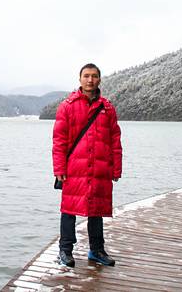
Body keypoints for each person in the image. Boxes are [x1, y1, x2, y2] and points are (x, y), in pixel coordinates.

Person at [52, 63, 122, 267]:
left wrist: (116, 167)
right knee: (69, 210)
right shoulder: (67, 106)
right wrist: (59, 169)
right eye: (86, 76)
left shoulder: (107, 108)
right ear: (80, 79)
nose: (90, 80)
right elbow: (59, 141)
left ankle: (97, 251)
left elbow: (115, 139)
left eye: (94, 76)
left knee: (96, 209)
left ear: (99, 79)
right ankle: (65, 251)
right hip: (74, 168)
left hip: (100, 168)